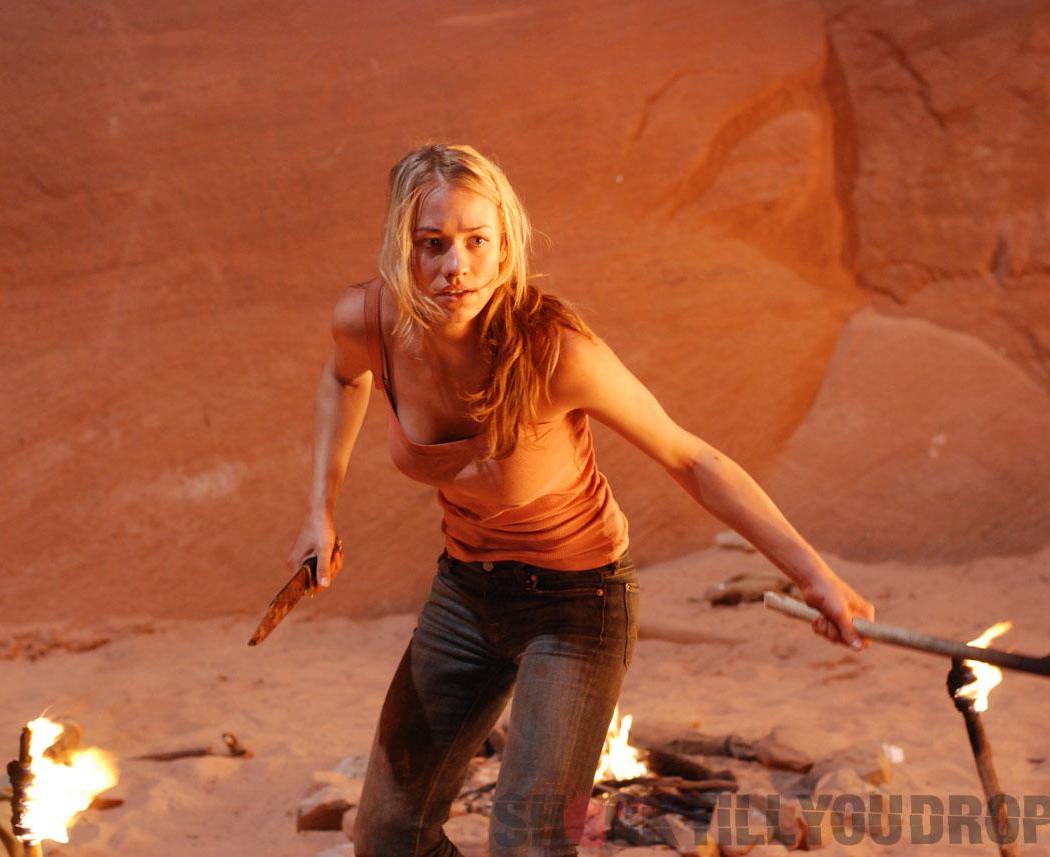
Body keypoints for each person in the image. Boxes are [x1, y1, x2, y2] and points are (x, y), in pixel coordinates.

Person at [287, 143, 874, 856]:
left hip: (577, 604)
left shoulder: (557, 353)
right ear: (399, 247)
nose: (455, 266)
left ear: (506, 246)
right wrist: (320, 511)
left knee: (528, 842)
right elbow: (341, 378)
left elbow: (692, 458)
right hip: (465, 592)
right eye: (432, 243)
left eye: (477, 241)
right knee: (387, 836)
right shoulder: (368, 322)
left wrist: (813, 574)